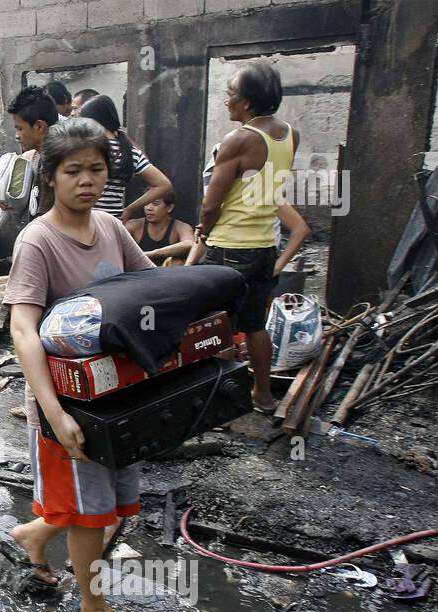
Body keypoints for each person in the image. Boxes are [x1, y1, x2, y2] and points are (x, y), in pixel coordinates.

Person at [4, 119, 156, 612]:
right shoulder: (37, 241)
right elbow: (24, 328)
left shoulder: (112, 228)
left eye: (96, 169)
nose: (86, 180)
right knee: (94, 510)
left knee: (113, 502)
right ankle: (94, 607)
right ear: (50, 177)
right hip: (67, 402)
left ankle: (34, 535)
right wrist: (53, 412)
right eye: (73, 170)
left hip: (117, 394)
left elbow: (145, 286)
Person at [187, 61, 300, 413]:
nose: (226, 101)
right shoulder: (288, 134)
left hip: (229, 248)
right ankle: (263, 395)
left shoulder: (238, 140)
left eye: (231, 95)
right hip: (265, 246)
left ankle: (222, 403)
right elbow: (263, 188)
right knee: (254, 325)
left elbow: (211, 202)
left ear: (247, 103)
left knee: (218, 327)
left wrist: (203, 230)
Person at [76, 95, 173, 222]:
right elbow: (164, 184)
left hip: (85, 222)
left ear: (92, 121)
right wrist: (129, 209)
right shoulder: (130, 151)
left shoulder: (86, 148)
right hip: (113, 224)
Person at [0, 86, 59, 235]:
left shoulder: (53, 161)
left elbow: (45, 215)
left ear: (39, 126)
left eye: (20, 129)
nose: (17, 136)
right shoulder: (38, 156)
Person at [125, 193, 194, 266]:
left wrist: (153, 253)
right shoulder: (133, 225)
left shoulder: (180, 227)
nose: (149, 208)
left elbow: (189, 243)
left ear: (169, 208)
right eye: (146, 203)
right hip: (139, 272)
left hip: (166, 273)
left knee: (177, 262)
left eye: (155, 204)